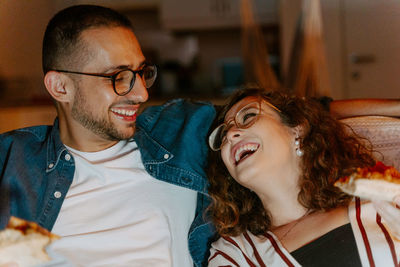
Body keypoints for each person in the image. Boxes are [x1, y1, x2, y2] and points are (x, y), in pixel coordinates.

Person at [0, 5, 216, 266]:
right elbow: (14, 256)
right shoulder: (19, 167)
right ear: (60, 87)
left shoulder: (181, 138)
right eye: (118, 76)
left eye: (141, 73)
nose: (141, 95)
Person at [206, 87, 400, 266]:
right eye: (223, 135)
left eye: (248, 116)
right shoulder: (234, 255)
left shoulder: (384, 197)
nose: (231, 134)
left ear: (297, 128)